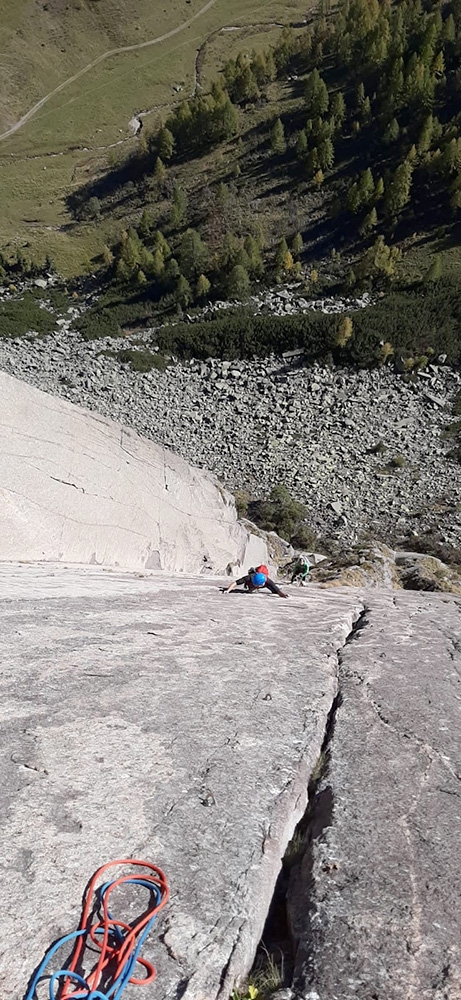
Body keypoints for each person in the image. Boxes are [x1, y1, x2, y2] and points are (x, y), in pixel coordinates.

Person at [223, 564, 288, 598]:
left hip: (265, 584)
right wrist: (228, 590)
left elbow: (278, 591)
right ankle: (251, 588)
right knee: (250, 591)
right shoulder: (249, 577)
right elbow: (235, 583)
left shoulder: (268, 581)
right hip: (252, 583)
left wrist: (284, 595)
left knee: (274, 590)